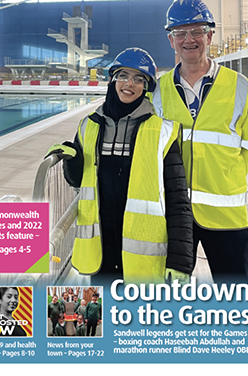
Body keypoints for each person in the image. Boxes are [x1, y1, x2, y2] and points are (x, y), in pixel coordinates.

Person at [45, 47, 194, 284]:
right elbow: (77, 182)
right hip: (101, 252)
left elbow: (178, 200)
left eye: (138, 79)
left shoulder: (163, 131)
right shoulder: (89, 125)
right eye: (123, 76)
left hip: (142, 258)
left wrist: (180, 261)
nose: (129, 84)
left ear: (146, 87)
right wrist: (72, 160)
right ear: (113, 80)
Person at [152, 0, 248, 285]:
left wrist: (224, 177)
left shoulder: (239, 86)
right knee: (169, 295)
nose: (189, 39)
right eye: (180, 33)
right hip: (174, 216)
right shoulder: (159, 90)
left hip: (226, 216)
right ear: (171, 40)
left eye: (197, 31)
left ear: (210, 35)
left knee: (234, 295)